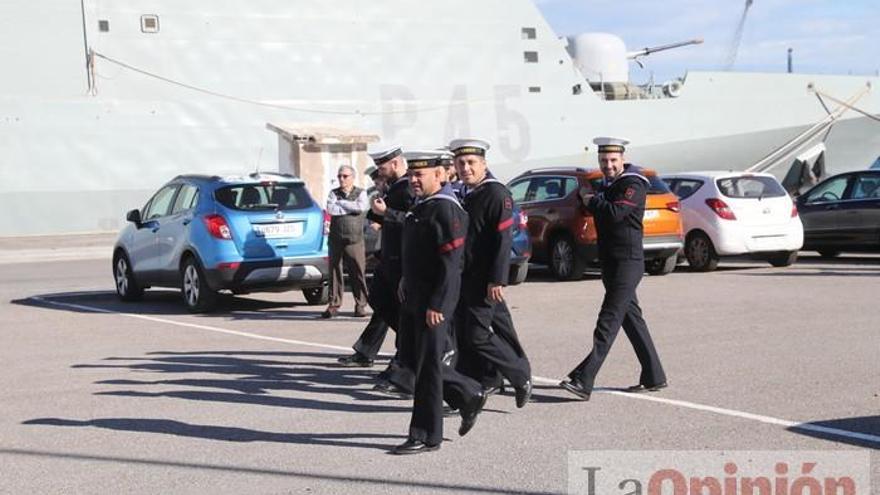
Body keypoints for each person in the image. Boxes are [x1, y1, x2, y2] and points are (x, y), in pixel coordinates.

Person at [391, 155, 486, 455]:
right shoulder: (424, 206)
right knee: (420, 362)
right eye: (411, 176)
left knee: (429, 369)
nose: (414, 180)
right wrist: (406, 278)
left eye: (421, 175)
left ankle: (426, 435)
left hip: (434, 302)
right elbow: (420, 252)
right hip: (417, 297)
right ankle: (469, 394)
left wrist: (439, 304)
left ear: (441, 175)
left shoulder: (446, 209)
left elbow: (451, 264)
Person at [560, 137, 667, 400]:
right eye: (603, 161)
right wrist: (588, 198)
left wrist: (591, 199)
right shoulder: (610, 185)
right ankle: (655, 376)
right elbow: (593, 207)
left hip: (627, 263)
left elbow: (614, 214)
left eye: (612, 160)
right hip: (611, 262)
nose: (607, 165)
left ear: (622, 159)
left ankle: (583, 380)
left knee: (607, 322)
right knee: (633, 321)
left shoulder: (633, 184)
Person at [450, 138, 532, 408]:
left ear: (484, 164)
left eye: (471, 162)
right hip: (465, 275)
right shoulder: (466, 192)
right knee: (467, 333)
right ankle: (479, 386)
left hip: (484, 278)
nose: (465, 168)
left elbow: (503, 239)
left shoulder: (496, 194)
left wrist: (498, 278)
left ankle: (519, 374)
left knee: (476, 335)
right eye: (460, 163)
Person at [323, 165, 370, 318]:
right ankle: (334, 304)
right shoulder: (333, 193)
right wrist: (350, 207)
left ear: (352, 177)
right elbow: (331, 209)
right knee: (335, 272)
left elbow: (360, 207)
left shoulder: (361, 192)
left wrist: (342, 203)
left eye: (345, 176)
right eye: (339, 176)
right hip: (336, 238)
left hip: (354, 239)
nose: (341, 179)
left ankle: (361, 304)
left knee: (357, 272)